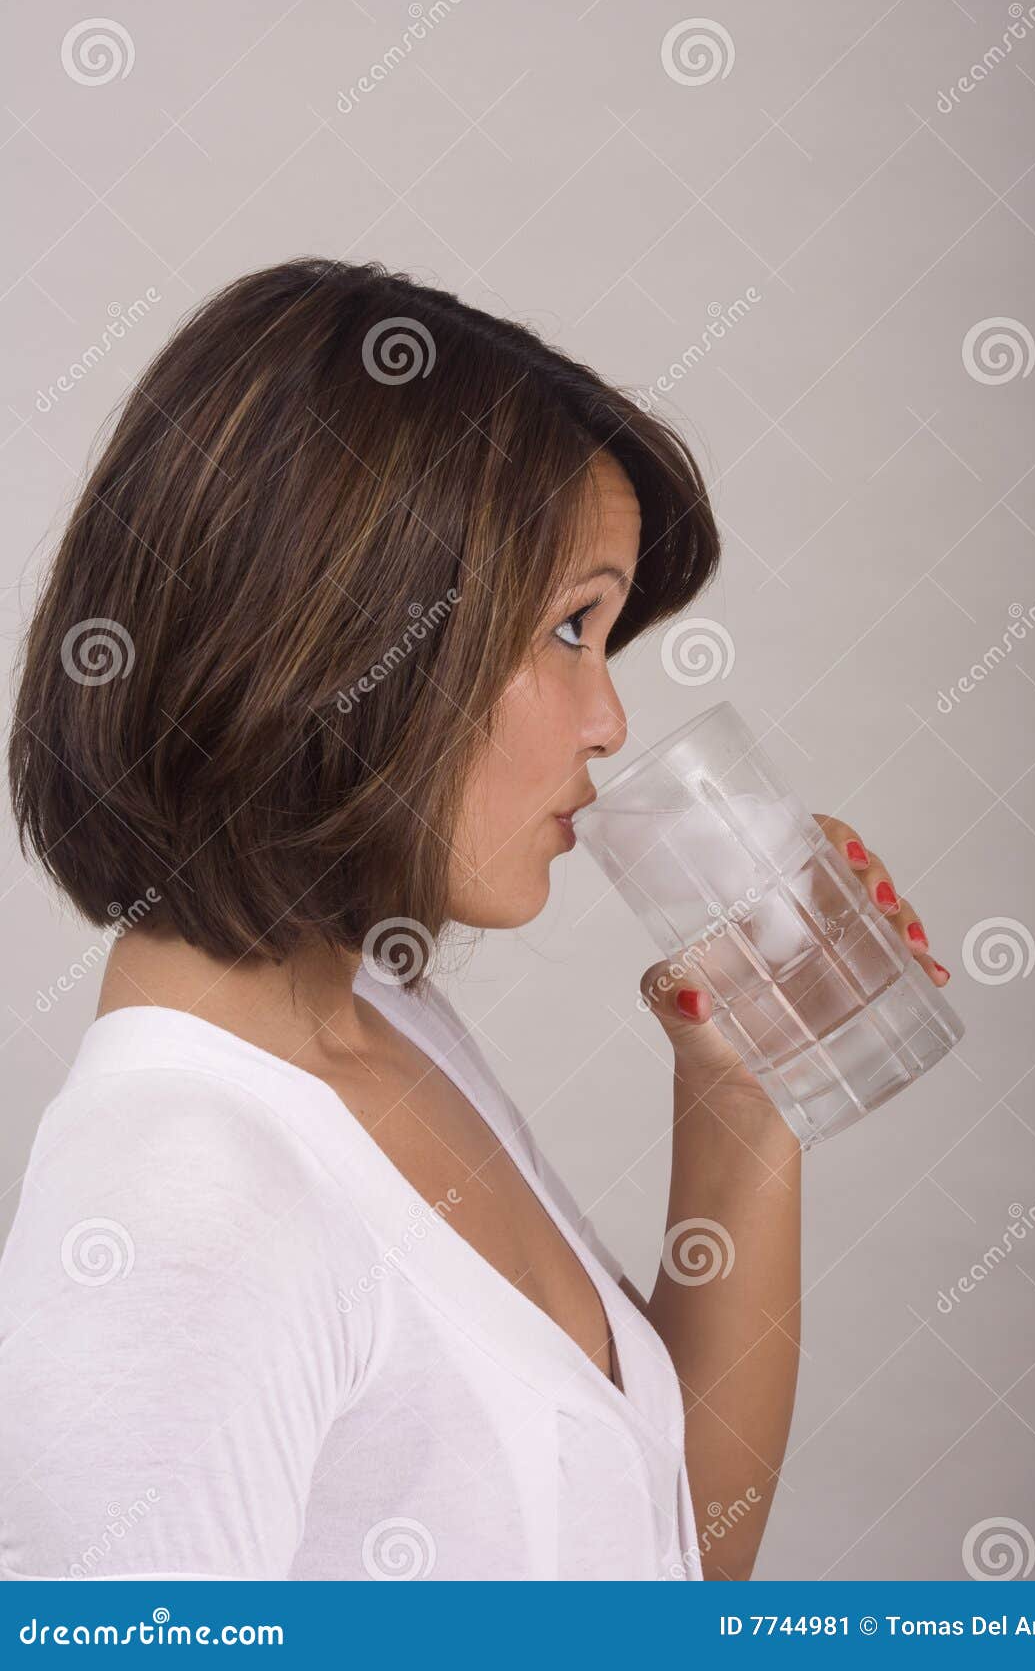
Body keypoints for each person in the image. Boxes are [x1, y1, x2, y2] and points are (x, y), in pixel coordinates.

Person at [0, 258, 945, 1581]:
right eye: (570, 627)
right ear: (338, 636)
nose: (610, 717)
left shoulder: (377, 1024)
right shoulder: (182, 1197)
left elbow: (661, 1560)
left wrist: (746, 1098)